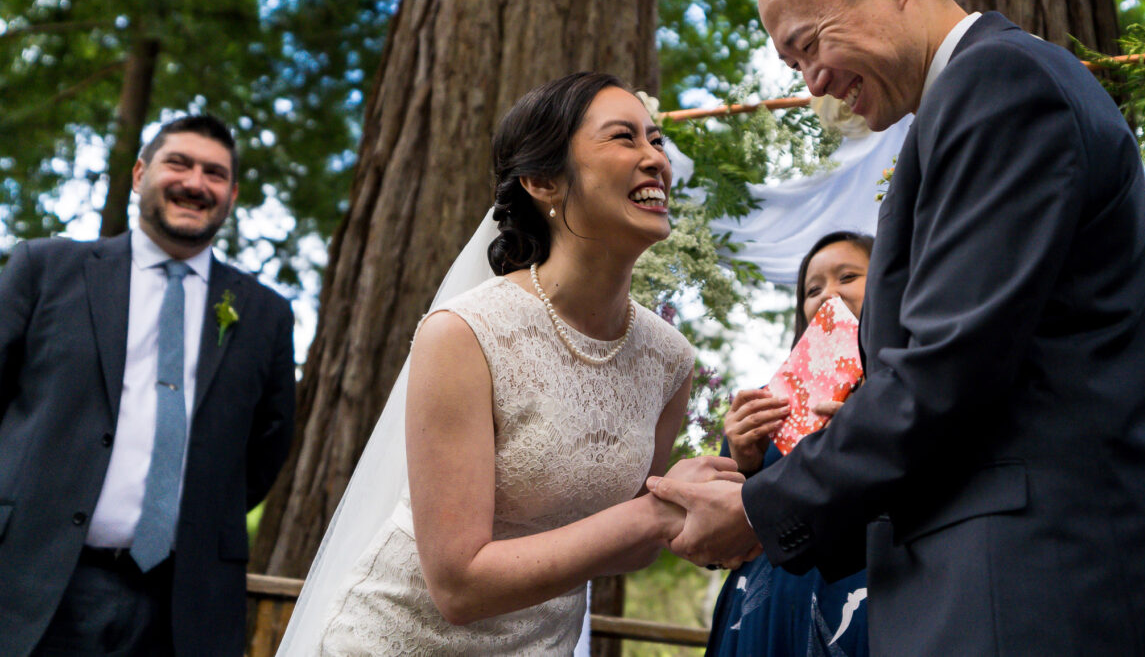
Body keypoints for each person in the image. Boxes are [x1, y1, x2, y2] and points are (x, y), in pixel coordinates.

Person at [649, 0, 1145, 655]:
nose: (809, 81)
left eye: (809, 44)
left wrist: (760, 507)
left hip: (1046, 583)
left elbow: (945, 369)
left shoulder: (1001, 84)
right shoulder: (960, 107)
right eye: (793, 61)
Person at [283, 72, 739, 656]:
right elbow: (458, 584)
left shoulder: (669, 359)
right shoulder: (465, 334)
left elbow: (632, 546)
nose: (656, 159)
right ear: (543, 181)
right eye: (625, 138)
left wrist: (691, 501)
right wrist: (655, 512)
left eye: (656, 140)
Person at [0, 114, 297, 657]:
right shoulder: (44, 269)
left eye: (214, 173)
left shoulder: (265, 315)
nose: (194, 183)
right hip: (31, 584)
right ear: (140, 174)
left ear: (231, 195)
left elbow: (264, 451)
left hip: (185, 608)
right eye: (177, 163)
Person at [706, 231, 873, 657]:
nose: (827, 295)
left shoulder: (903, 394)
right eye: (812, 289)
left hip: (865, 600)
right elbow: (718, 542)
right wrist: (743, 460)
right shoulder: (769, 403)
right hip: (762, 610)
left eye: (847, 277)